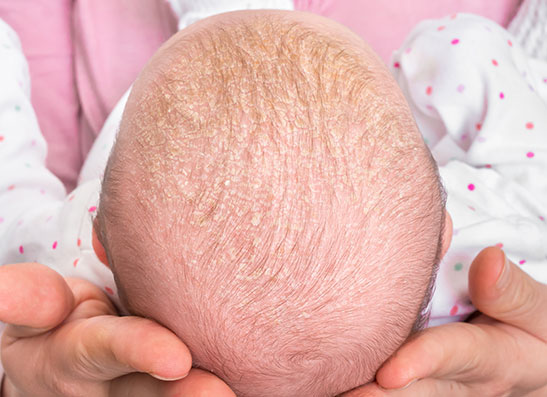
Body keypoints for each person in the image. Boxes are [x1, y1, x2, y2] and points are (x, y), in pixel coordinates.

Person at [0, 8, 545, 397]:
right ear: (445, 233)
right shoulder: (476, 264)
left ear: (100, 236)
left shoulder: (79, 264)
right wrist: (460, 50)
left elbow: (13, 213)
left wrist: (456, 56)